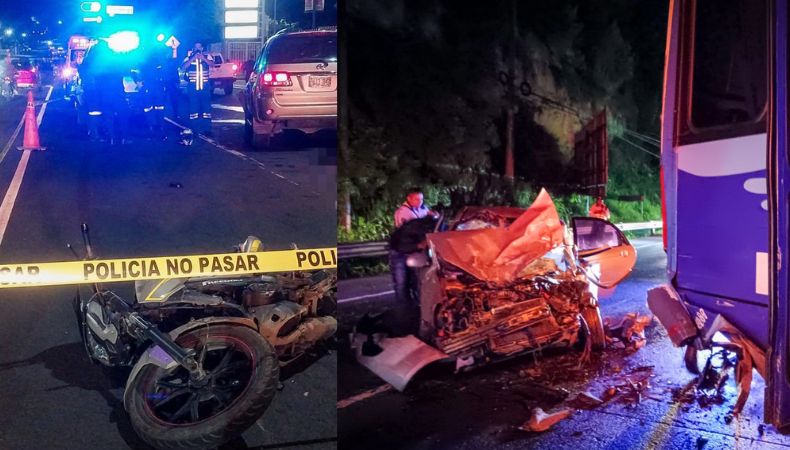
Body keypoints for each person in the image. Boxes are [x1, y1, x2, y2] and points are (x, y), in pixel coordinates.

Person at [389, 188, 440, 306]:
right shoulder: (404, 212)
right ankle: (403, 311)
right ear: (409, 198)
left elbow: (429, 222)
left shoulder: (422, 209)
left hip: (414, 250)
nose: (420, 202)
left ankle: (416, 307)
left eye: (421, 199)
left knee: (417, 281)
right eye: (416, 199)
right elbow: (413, 229)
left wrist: (434, 217)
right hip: (401, 250)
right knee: (401, 283)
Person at [180, 42, 212, 135]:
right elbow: (183, 67)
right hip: (193, 88)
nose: (197, 49)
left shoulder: (207, 56)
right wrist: (193, 58)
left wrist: (204, 58)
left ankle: (207, 128)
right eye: (195, 47)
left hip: (205, 87)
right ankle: (195, 128)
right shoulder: (188, 57)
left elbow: (212, 64)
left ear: (202, 48)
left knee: (206, 109)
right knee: (194, 109)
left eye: (199, 47)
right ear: (193, 48)